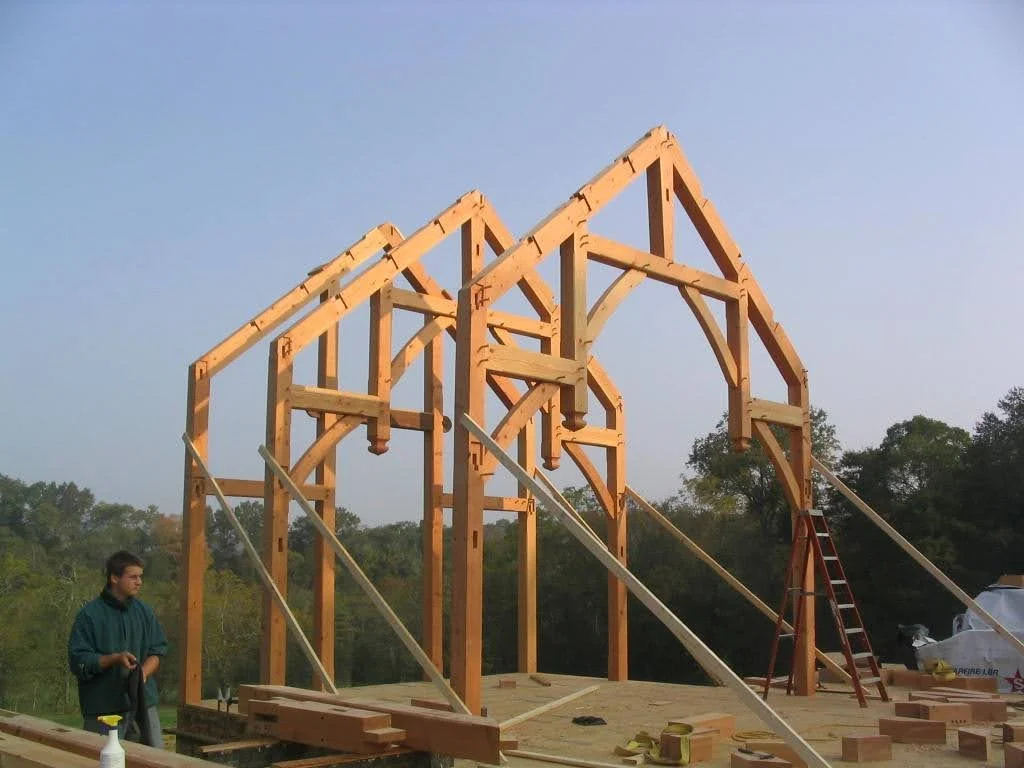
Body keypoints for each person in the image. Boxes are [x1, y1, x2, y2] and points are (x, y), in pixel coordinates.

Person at [67, 550, 168, 748]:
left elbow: (157, 650)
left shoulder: (144, 612)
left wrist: (143, 674)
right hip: (103, 708)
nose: (139, 582)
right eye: (133, 577)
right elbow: (78, 660)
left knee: (154, 759)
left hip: (144, 705)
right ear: (114, 578)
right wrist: (113, 659)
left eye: (140, 577)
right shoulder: (89, 616)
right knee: (104, 760)